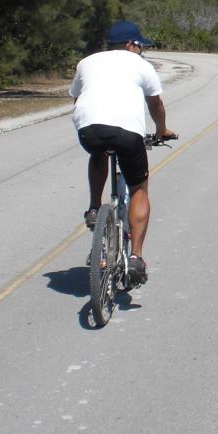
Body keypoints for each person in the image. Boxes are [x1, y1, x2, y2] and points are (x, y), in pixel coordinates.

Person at [70, 19, 176, 287]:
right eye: (140, 46)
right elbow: (156, 105)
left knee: (98, 153)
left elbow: (77, 97)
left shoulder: (87, 62)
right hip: (127, 133)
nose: (141, 51)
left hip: (89, 129)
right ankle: (137, 258)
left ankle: (95, 208)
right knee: (139, 189)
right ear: (131, 44)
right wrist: (162, 130)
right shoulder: (141, 65)